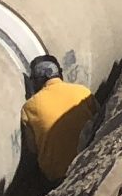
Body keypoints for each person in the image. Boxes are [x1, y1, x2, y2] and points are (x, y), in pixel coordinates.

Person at [22, 54, 94, 184]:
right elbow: (101, 119)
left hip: (58, 176)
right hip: (91, 160)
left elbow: (32, 149)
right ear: (59, 74)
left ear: (36, 81)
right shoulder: (83, 92)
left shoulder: (29, 107)